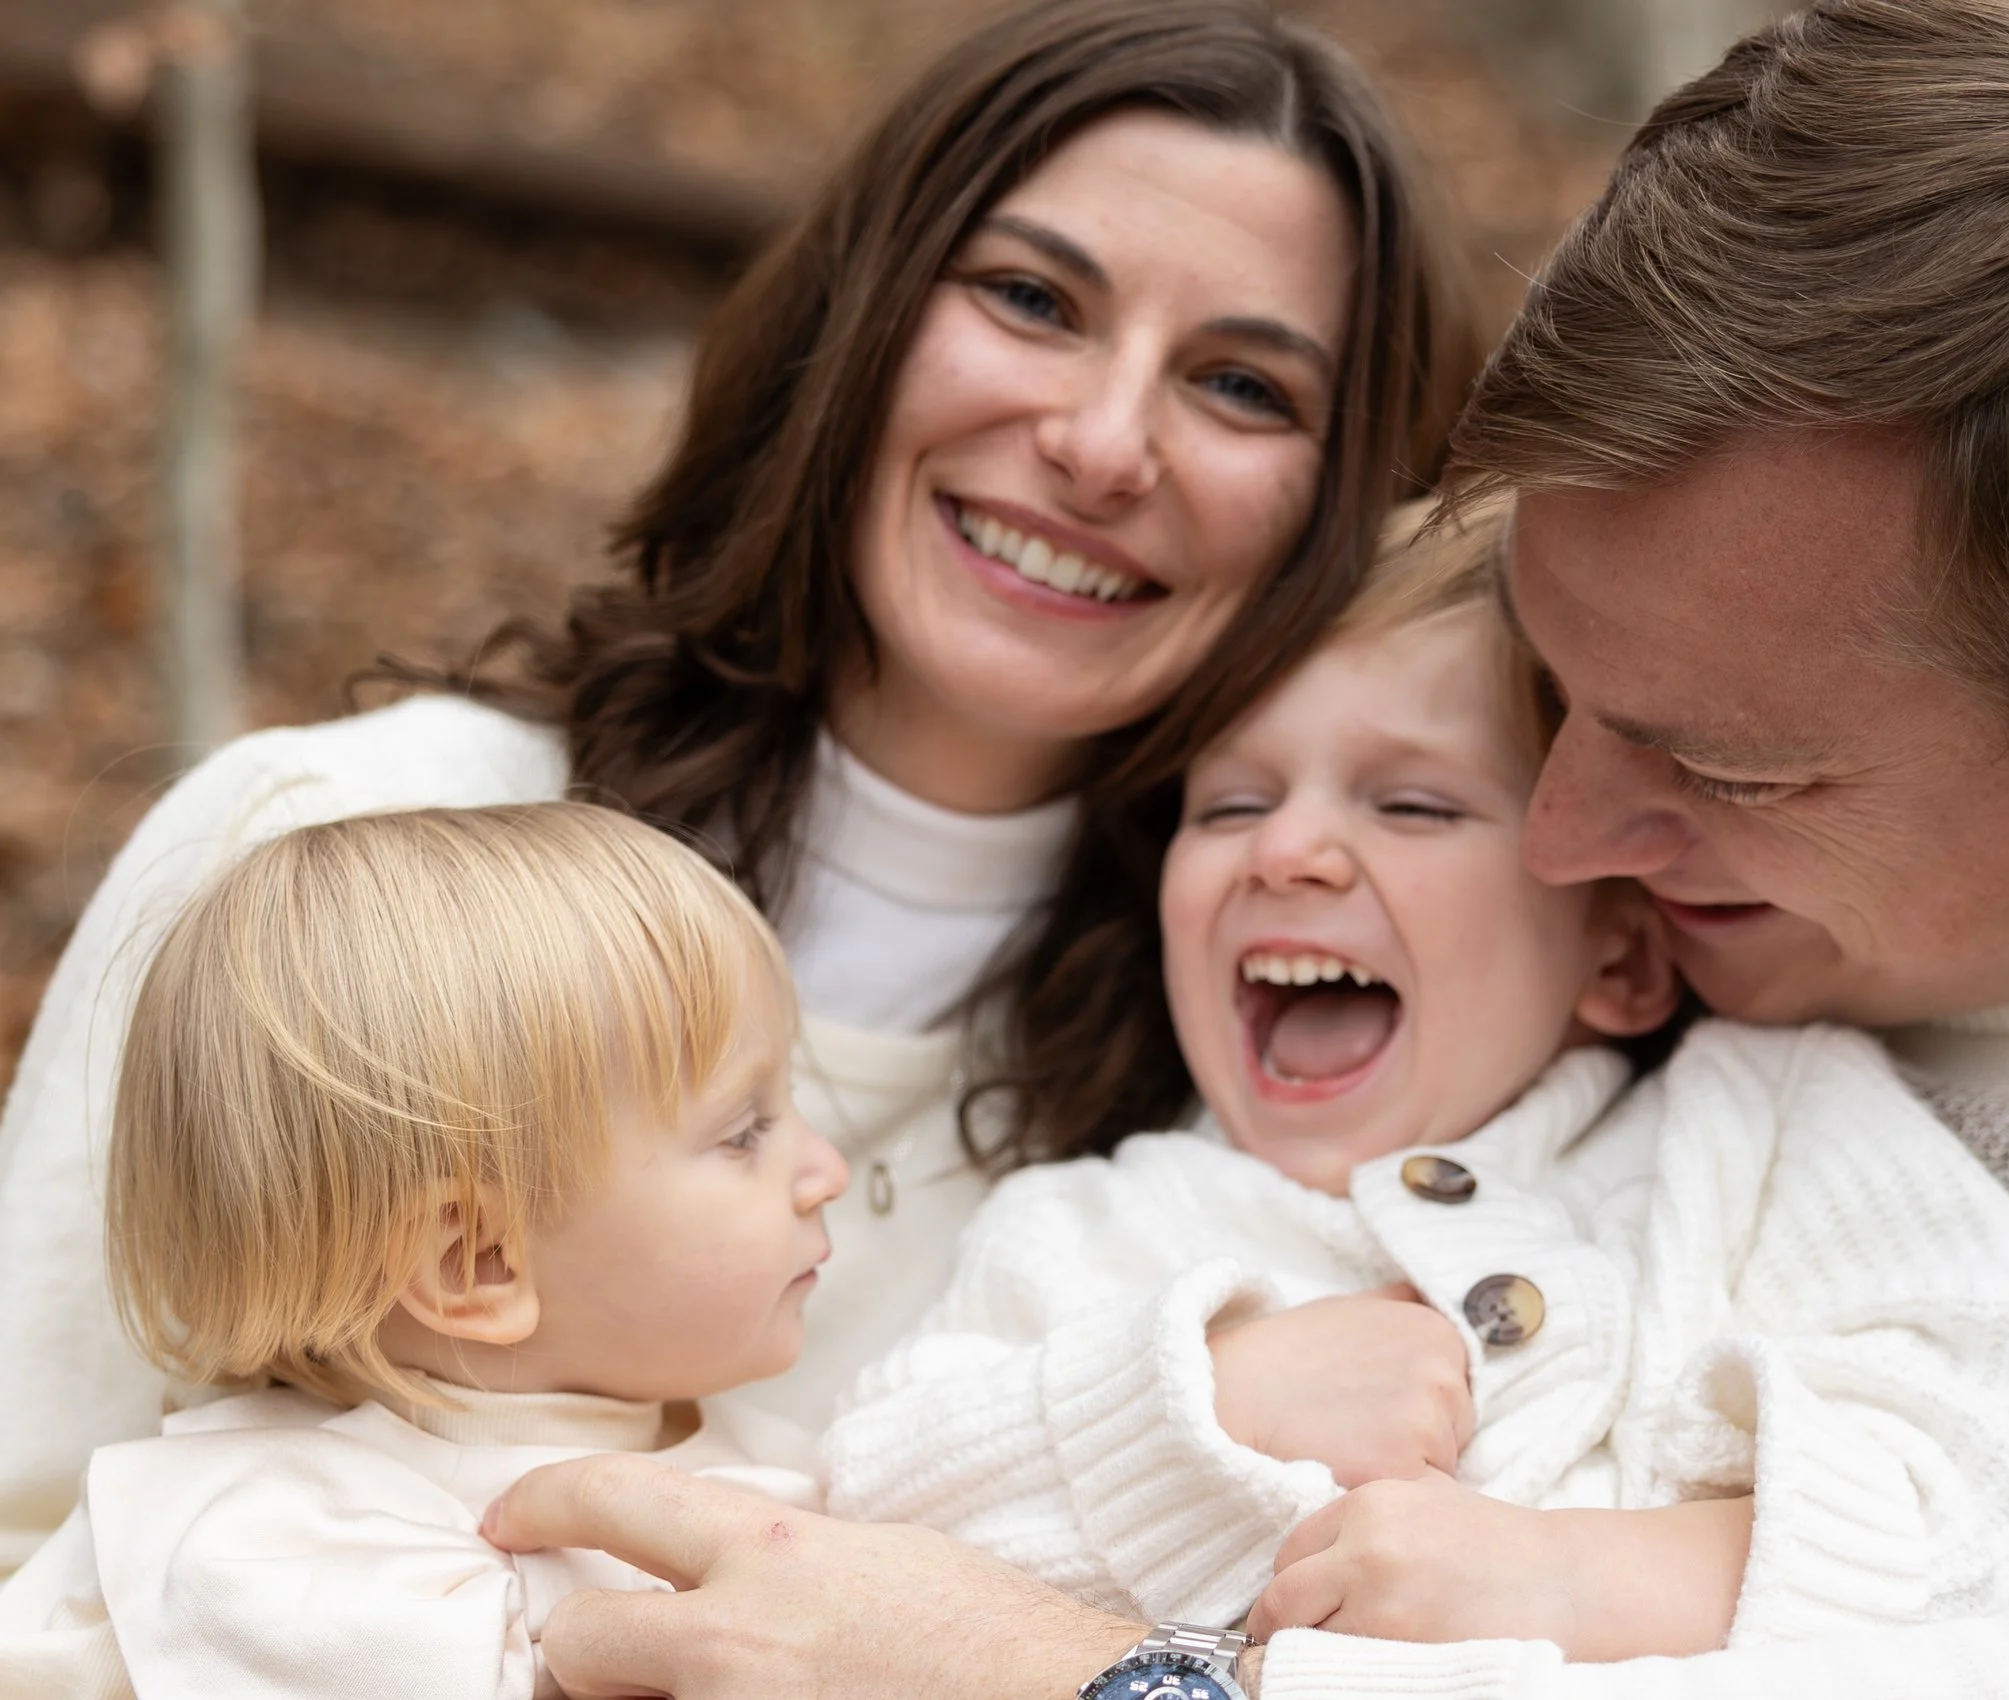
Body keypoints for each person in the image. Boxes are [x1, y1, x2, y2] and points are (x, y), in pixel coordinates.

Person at [475, 1, 2009, 1697]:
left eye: (1722, 761)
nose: (1565, 836)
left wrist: (1109, 1681)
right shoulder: (1417, 1022)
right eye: (1551, 683)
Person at [0, 0, 1477, 1580]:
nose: (1106, 444)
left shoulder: (1277, 1076)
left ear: (1347, 504)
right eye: (1034, 299)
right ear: (861, 311)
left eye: (1244, 387)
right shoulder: (322, 854)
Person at [822, 504, 2009, 1659]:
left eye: (1415, 805)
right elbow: (864, 1513)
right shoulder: (1084, 1231)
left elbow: (1998, 1485)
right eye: (1229, 804)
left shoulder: (1768, 1132)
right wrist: (1204, 1408)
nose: (1291, 847)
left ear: (1623, 951)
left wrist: (1574, 1579)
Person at [0, 805, 845, 1699]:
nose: (825, 1170)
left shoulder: (808, 1472)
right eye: (746, 1132)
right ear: (475, 1264)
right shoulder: (253, 1553)